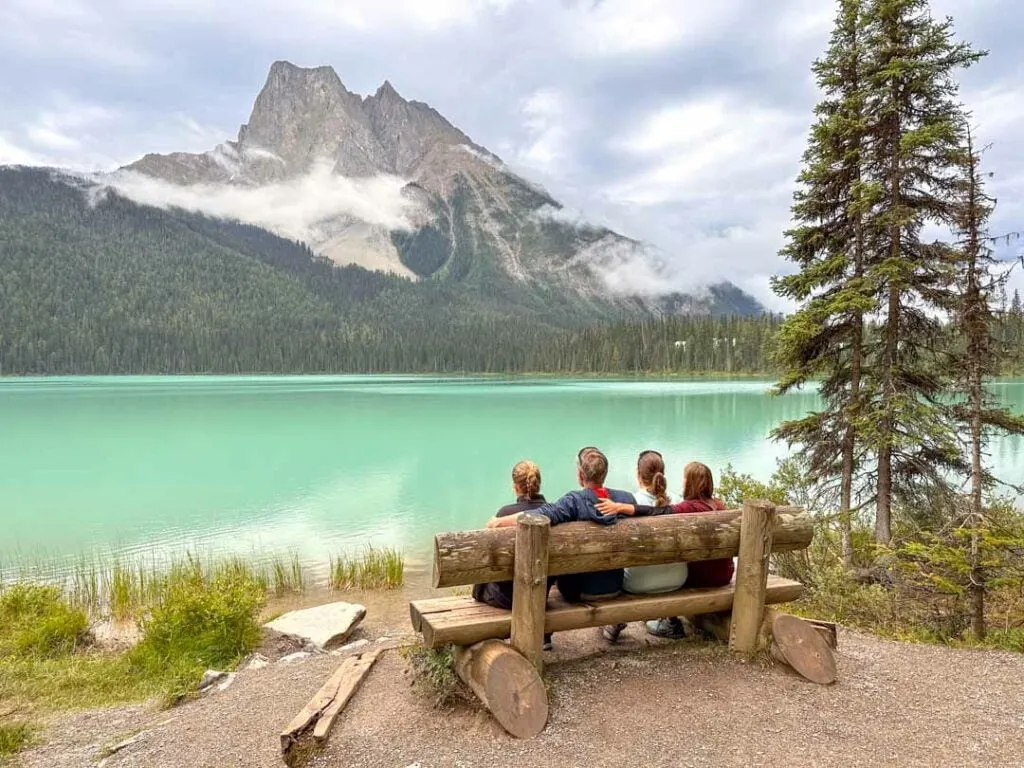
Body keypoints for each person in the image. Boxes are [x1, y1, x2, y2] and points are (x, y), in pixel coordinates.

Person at [596, 461, 731, 639]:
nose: (682, 482)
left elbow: (657, 512)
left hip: (699, 578)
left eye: (684, 478)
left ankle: (618, 621)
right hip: (724, 575)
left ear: (690, 483)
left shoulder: (688, 508)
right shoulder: (719, 506)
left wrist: (621, 507)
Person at [487, 447, 636, 602]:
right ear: (605, 473)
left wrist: (499, 522)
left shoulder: (573, 501)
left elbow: (540, 514)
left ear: (580, 475)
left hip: (579, 592)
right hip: (616, 587)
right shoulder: (626, 499)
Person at [602, 450, 689, 643]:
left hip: (636, 584)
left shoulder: (628, 503)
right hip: (677, 579)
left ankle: (615, 621)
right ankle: (670, 620)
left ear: (638, 475)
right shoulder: (679, 502)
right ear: (663, 475)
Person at [472, 460, 555, 650]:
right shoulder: (555, 513)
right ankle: (544, 637)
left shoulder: (504, 514)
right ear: (538, 484)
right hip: (541, 592)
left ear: (515, 486)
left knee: (481, 585)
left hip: (507, 598)